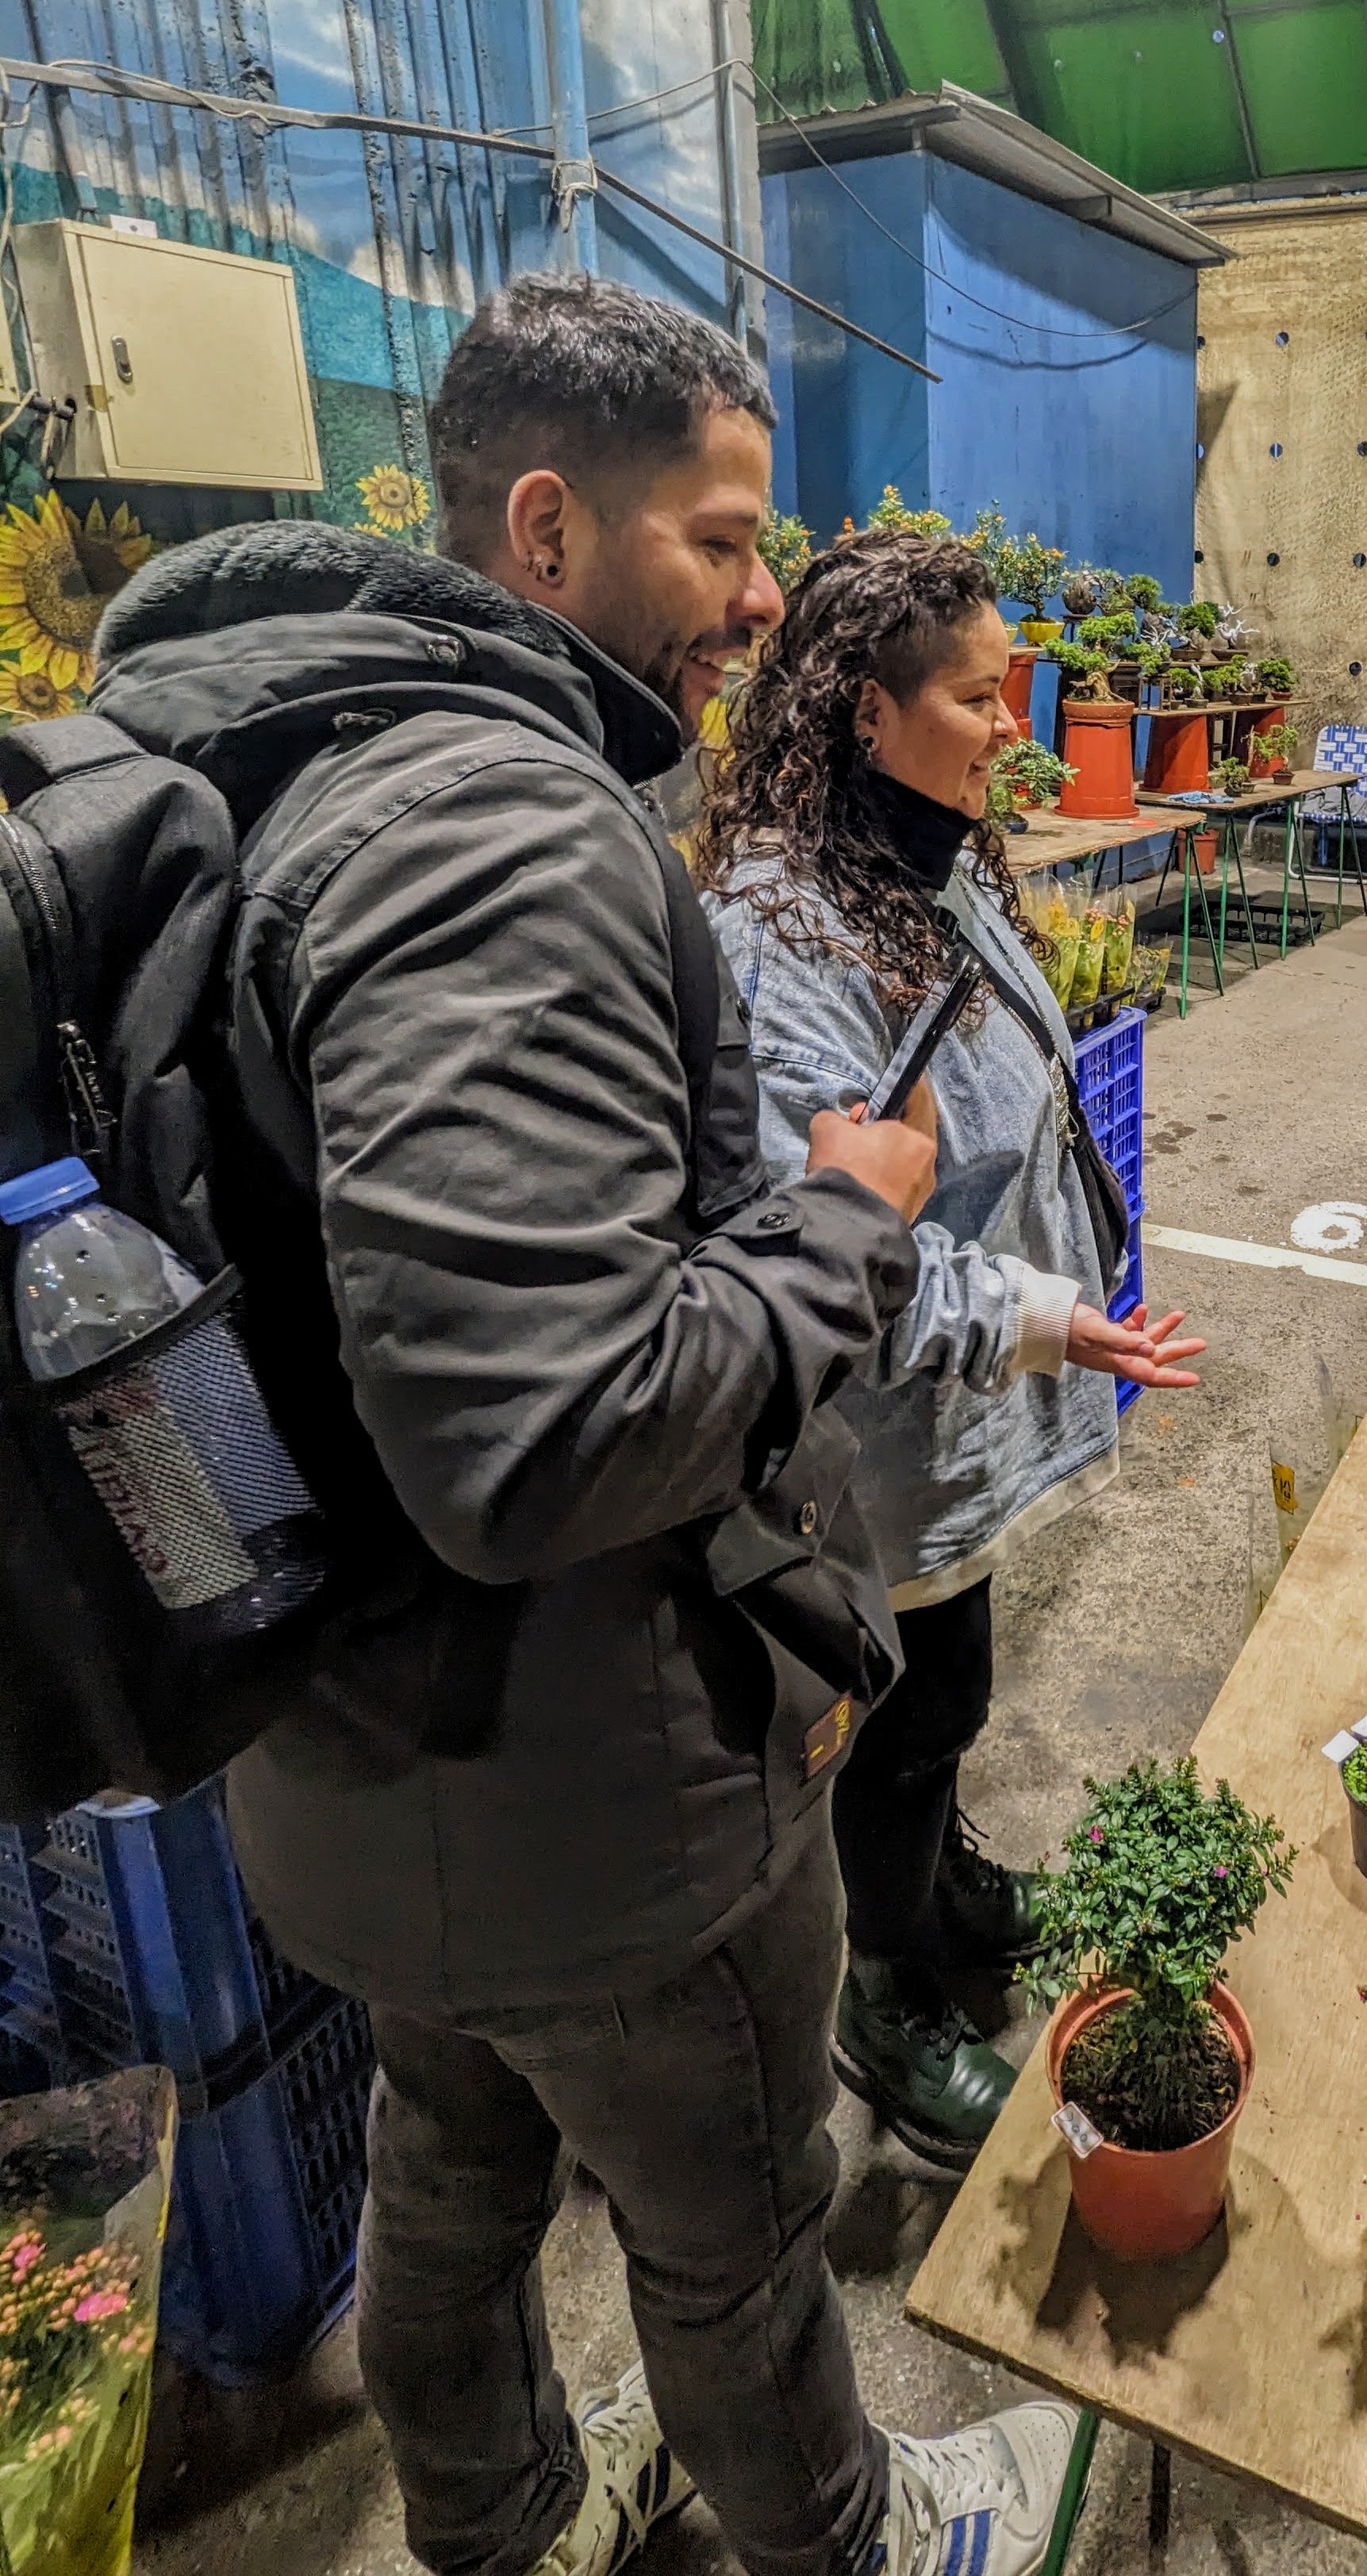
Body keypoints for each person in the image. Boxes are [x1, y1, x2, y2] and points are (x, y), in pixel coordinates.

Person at [88, 275, 1078, 2576]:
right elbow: (534, 1435)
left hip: (345, 1744)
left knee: (447, 2172)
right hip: (594, 1787)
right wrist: (839, 1222)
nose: (762, 597)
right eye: (723, 543)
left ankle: (510, 2522)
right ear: (546, 524)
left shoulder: (255, 757)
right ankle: (863, 2537)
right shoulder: (493, 830)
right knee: (735, 2222)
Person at [692, 529, 1204, 2169]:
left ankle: (949, 1883)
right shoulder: (788, 931)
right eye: (980, 697)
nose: (1014, 728)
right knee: (905, 1709)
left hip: (959, 1415)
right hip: (880, 1428)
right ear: (864, 708)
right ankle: (891, 1997)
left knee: (949, 1683)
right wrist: (1052, 1318)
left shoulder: (931, 854)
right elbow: (842, 1253)